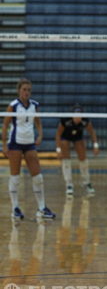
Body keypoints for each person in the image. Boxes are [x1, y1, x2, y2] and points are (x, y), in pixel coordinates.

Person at [2, 78, 56, 220]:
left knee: (38, 177)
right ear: (19, 90)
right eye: (24, 89)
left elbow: (38, 121)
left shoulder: (34, 105)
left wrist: (40, 135)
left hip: (29, 143)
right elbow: (5, 125)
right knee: (15, 176)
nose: (26, 92)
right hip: (15, 143)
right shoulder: (13, 106)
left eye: (29, 90)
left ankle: (42, 208)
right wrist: (4, 144)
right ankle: (15, 209)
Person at [55, 104, 99, 196]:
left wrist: (95, 145)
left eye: (79, 115)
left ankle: (87, 183)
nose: (78, 117)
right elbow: (58, 134)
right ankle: (69, 184)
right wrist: (58, 150)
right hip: (65, 137)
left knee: (83, 158)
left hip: (78, 138)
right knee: (66, 158)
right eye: (76, 115)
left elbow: (92, 132)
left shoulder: (85, 121)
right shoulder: (65, 120)